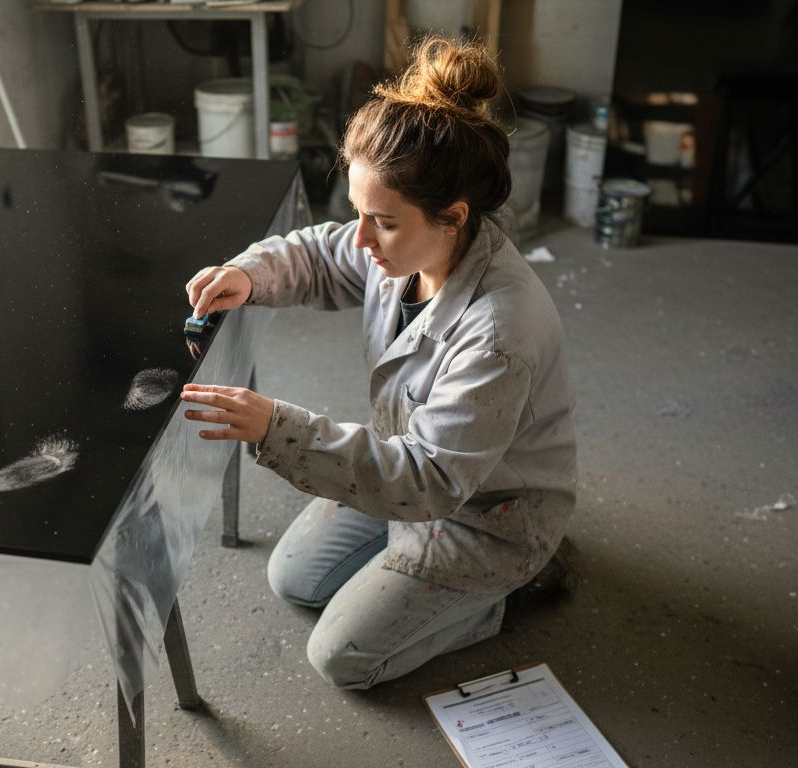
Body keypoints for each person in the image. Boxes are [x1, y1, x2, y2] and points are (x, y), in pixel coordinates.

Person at [179, 35, 577, 690]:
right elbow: (320, 253)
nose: (362, 240)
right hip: (415, 458)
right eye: (359, 213)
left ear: (452, 216)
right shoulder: (410, 245)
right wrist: (247, 274)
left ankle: (511, 588)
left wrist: (278, 427)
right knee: (295, 581)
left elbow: (428, 481)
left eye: (382, 223)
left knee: (343, 658)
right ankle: (416, 574)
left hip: (487, 513)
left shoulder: (498, 335)